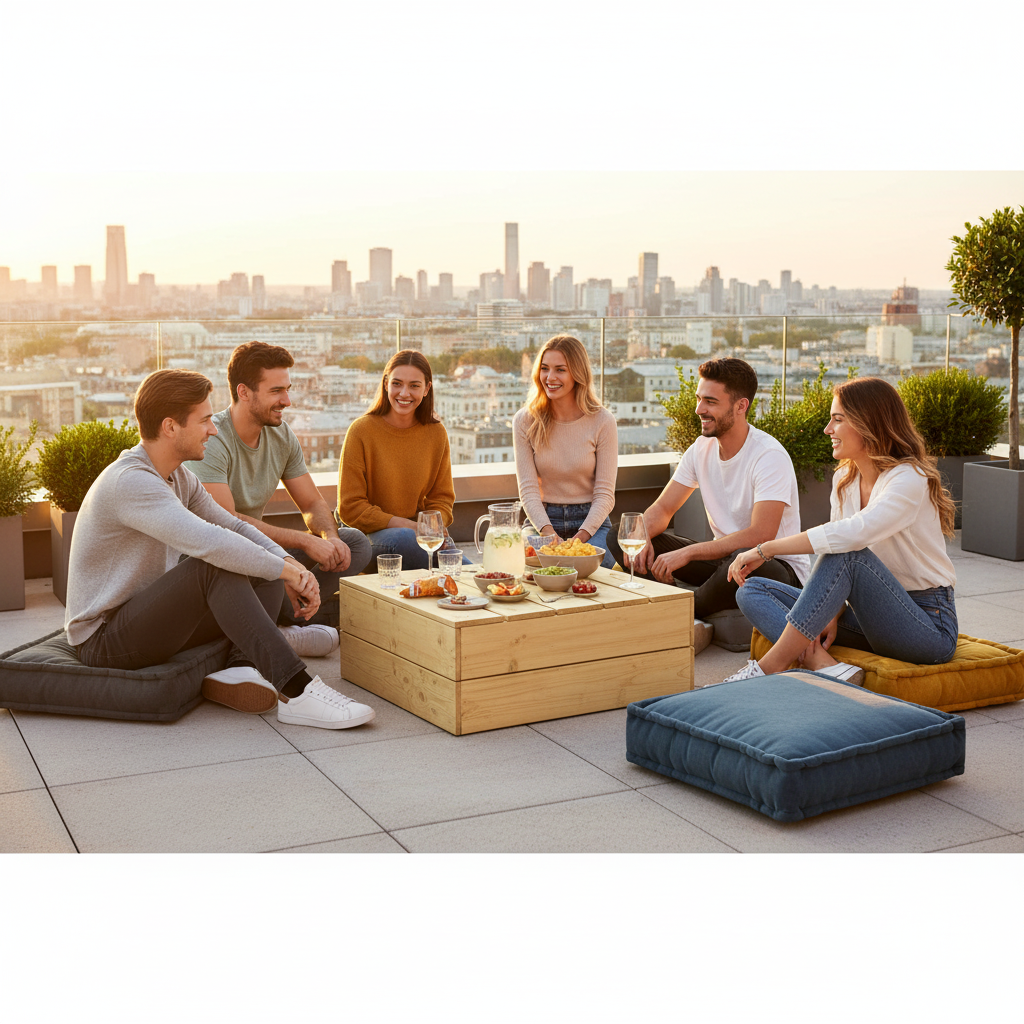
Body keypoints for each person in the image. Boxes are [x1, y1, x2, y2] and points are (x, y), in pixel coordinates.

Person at [66, 368, 375, 730]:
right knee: (213, 565)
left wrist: (288, 562)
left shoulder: (179, 476)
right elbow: (209, 542)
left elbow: (233, 525)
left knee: (258, 562)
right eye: (204, 421)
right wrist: (286, 571)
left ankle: (241, 665)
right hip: (105, 639)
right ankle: (298, 691)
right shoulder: (131, 482)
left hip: (147, 617)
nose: (213, 429)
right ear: (170, 427)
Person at [723, 376, 958, 685]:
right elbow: (839, 553)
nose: (827, 429)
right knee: (753, 589)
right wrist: (831, 613)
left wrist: (765, 549)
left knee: (848, 554)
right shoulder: (845, 481)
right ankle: (824, 663)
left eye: (837, 420)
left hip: (927, 626)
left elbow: (852, 536)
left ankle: (769, 668)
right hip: (868, 618)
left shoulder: (909, 478)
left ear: (868, 423)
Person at [186, 341, 371, 656]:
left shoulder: (281, 435)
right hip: (223, 557)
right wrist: (301, 545)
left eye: (287, 389)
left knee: (353, 543)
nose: (287, 400)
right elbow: (225, 522)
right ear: (244, 392)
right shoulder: (212, 438)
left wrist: (327, 536)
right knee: (265, 570)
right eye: (276, 392)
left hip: (266, 552)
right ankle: (282, 624)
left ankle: (285, 617)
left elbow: (312, 504)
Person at [608, 358, 809, 631]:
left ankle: (681, 605)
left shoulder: (768, 456)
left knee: (750, 561)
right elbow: (664, 509)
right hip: (723, 563)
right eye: (699, 399)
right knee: (622, 533)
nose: (699, 409)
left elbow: (760, 535)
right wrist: (640, 536)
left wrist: (688, 554)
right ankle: (680, 600)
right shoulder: (700, 449)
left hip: (774, 567)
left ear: (741, 406)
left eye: (710, 402)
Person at [338, 349, 458, 571]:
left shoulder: (436, 433)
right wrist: (411, 527)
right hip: (369, 540)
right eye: (397, 383)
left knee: (468, 572)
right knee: (407, 539)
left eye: (414, 385)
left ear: (427, 389)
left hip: (418, 536)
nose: (404, 393)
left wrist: (432, 527)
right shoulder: (361, 431)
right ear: (385, 384)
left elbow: (441, 498)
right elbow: (350, 507)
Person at [513, 335, 618, 567]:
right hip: (540, 521)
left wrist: (578, 542)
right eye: (544, 369)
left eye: (560, 370)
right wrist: (549, 535)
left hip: (592, 523)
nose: (550, 378)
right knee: (535, 567)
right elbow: (528, 491)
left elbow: (605, 494)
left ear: (577, 374)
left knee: (585, 567)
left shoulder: (603, 421)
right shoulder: (524, 420)